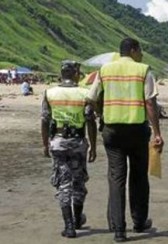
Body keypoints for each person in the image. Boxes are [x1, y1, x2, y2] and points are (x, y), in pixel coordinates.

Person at [87, 37, 164, 242]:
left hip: (112, 131)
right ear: (132, 50)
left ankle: (118, 229)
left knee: (116, 178)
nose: (142, 55)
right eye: (140, 50)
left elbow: (91, 98)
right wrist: (157, 133)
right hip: (137, 131)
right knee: (139, 177)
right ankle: (139, 222)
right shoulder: (143, 70)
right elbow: (150, 103)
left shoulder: (105, 70)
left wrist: (102, 113)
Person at [41, 60, 97, 238]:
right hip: (78, 142)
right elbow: (89, 119)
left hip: (58, 141)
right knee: (78, 182)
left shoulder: (50, 93)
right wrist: (93, 146)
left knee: (63, 184)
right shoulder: (84, 93)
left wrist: (44, 144)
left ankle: (69, 225)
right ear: (75, 74)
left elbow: (44, 119)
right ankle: (78, 218)